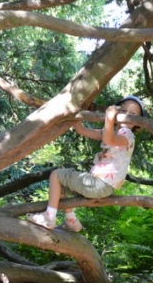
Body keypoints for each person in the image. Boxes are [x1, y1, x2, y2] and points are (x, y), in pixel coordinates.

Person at [27, 96, 145, 232]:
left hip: (99, 183)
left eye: (133, 114)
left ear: (138, 123)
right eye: (123, 111)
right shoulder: (114, 133)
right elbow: (82, 130)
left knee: (56, 175)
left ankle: (49, 217)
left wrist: (109, 117)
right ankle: (71, 221)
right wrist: (73, 117)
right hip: (103, 187)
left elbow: (109, 139)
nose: (126, 115)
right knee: (62, 187)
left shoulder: (127, 134)